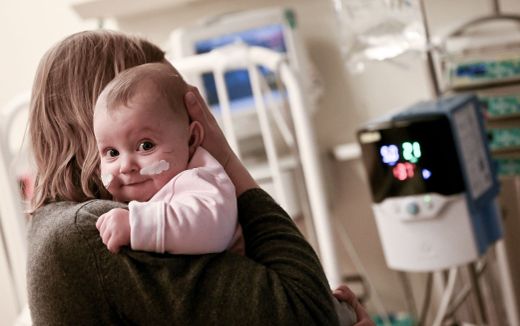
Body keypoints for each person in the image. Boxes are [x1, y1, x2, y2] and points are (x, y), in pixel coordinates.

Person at [26, 29, 372, 325]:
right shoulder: (99, 231)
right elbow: (307, 314)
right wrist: (224, 159)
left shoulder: (59, 226)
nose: (201, 139)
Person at [93, 62, 241, 255]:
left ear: (191, 139)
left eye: (146, 146)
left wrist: (137, 225)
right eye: (112, 153)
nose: (126, 166)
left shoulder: (200, 178)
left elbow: (214, 227)